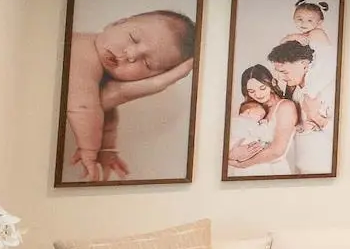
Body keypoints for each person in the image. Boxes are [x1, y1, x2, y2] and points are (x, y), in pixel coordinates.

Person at [63, 9, 196, 182]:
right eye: (133, 38)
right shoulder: (84, 51)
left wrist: (107, 149)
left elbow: (105, 116)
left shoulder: (101, 75)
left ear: (151, 77)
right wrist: (89, 151)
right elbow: (83, 108)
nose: (131, 55)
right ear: (116, 23)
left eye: (147, 63)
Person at [267, 40, 333, 175]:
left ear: (304, 64)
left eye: (284, 72)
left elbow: (348, 137)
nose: (281, 77)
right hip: (301, 169)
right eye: (278, 72)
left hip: (325, 170)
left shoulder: (327, 90)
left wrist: (317, 118)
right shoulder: (296, 93)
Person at [226, 65, 298, 176]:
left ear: (272, 82)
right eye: (251, 91)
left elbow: (277, 151)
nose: (258, 95)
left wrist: (243, 164)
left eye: (262, 88)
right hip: (243, 172)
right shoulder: (250, 108)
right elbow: (231, 137)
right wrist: (231, 154)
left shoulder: (285, 107)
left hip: (272, 171)